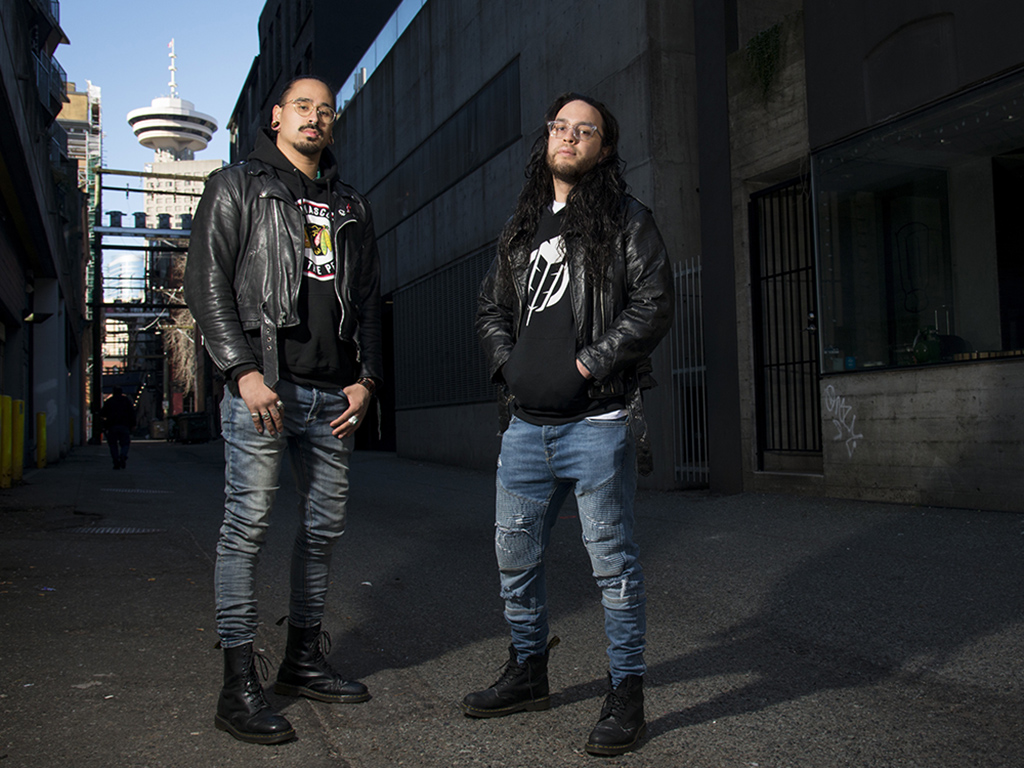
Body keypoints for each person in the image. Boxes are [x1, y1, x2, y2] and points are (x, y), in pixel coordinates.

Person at [465, 92, 674, 756]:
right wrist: (511, 368)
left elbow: (654, 304)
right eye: (561, 126)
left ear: (604, 148)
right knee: (514, 558)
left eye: (587, 130)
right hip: (524, 427)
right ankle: (529, 670)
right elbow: (489, 308)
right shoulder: (521, 227)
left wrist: (587, 364)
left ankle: (627, 696)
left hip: (598, 422)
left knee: (612, 567)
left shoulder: (626, 221)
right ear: (547, 139)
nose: (571, 137)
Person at [183, 75, 382, 746]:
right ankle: (237, 686)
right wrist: (240, 372)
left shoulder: (350, 202)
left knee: (322, 533)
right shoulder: (238, 184)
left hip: (335, 396)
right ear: (275, 118)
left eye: (326, 111)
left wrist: (368, 380)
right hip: (268, 389)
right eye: (303, 107)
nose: (316, 118)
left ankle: (301, 659)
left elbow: (373, 296)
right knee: (248, 528)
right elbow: (205, 279)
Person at [99, 386, 134, 469]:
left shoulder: (109, 401)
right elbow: (132, 413)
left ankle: (116, 460)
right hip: (124, 425)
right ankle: (123, 455)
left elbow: (103, 413)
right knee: (125, 443)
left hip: (112, 426)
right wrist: (133, 424)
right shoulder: (126, 401)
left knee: (113, 445)